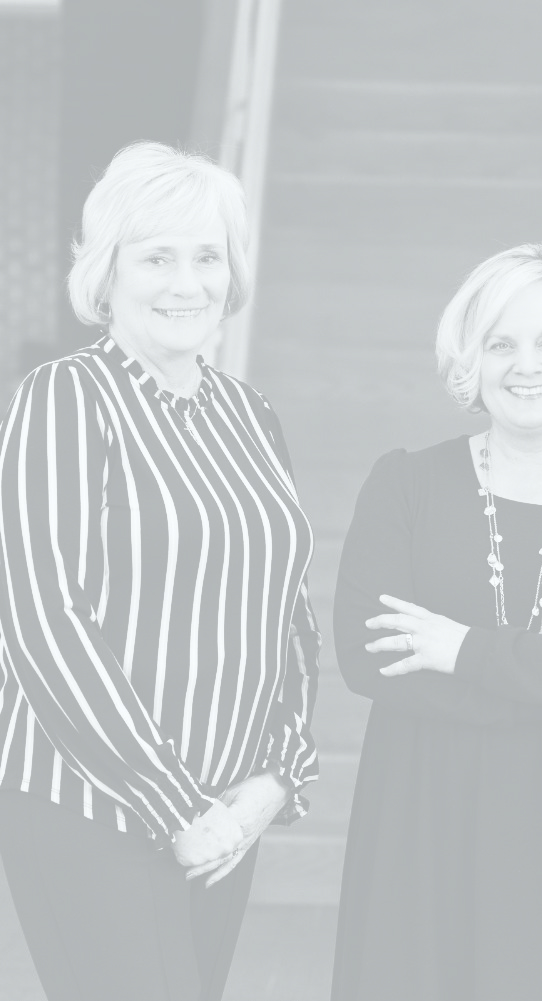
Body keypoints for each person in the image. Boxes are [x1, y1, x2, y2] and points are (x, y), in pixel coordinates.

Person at [0, 141, 320, 1001]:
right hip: (93, 808)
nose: (187, 282)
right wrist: (178, 806)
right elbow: (43, 619)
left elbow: (288, 609)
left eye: (206, 256)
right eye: (157, 257)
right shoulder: (65, 399)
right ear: (108, 274)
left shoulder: (248, 414)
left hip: (226, 814)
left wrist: (274, 776)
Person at [332, 244, 542, 1001]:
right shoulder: (405, 485)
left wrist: (461, 650)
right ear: (469, 360)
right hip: (427, 811)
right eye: (501, 342)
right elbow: (365, 652)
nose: (528, 364)